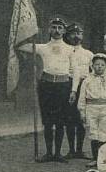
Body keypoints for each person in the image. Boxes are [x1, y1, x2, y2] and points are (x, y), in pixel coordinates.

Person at [19, 17, 74, 162]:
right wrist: (28, 34)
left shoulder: (70, 49)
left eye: (60, 28)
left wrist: (73, 90)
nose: (57, 31)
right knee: (48, 121)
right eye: (54, 27)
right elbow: (21, 46)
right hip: (47, 86)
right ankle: (49, 153)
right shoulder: (42, 47)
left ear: (64, 31)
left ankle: (58, 154)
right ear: (49, 29)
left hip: (63, 86)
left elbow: (75, 71)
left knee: (60, 121)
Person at [77, 53, 106, 166]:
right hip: (91, 108)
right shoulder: (87, 81)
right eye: (97, 64)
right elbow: (82, 97)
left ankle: (104, 159)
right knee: (93, 132)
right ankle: (96, 158)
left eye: (102, 65)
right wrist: (82, 111)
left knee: (104, 133)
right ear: (92, 66)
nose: (99, 67)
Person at [65, 23, 93, 159]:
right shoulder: (66, 51)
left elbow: (93, 72)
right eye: (73, 33)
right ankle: (71, 150)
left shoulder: (88, 54)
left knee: (81, 118)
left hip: (84, 85)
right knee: (70, 118)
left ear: (82, 36)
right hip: (69, 85)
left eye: (79, 33)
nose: (76, 36)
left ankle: (79, 150)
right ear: (68, 36)